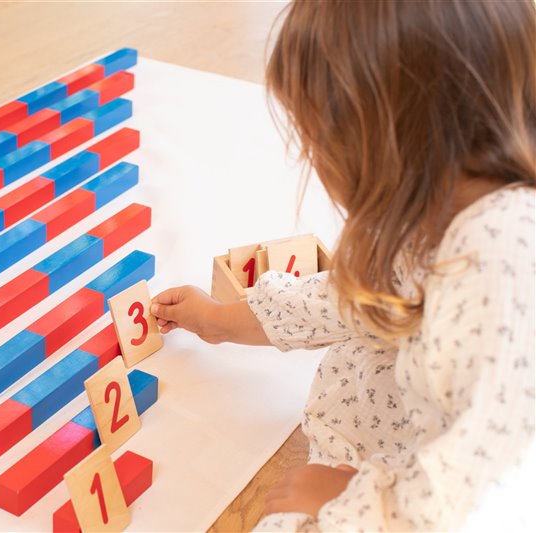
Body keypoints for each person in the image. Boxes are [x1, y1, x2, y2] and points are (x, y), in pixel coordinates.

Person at [150, 1, 536, 530]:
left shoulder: (500, 261)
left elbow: (493, 500)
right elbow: (343, 301)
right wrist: (217, 321)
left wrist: (354, 498)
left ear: (386, 143)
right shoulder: (444, 211)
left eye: (318, 141)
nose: (313, 159)